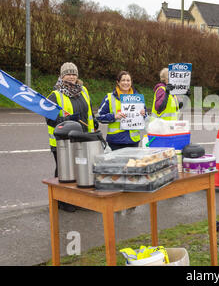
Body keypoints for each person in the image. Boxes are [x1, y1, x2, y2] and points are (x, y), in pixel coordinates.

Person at [45, 62, 97, 212]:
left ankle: (78, 199)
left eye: (74, 74)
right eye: (68, 73)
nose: (71, 76)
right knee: (63, 171)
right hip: (63, 142)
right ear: (62, 76)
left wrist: (94, 122)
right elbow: (49, 118)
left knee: (79, 169)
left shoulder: (83, 91)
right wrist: (68, 122)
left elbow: (88, 112)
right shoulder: (55, 95)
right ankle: (61, 201)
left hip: (82, 139)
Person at [97, 71, 147, 151]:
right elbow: (99, 117)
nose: (126, 83)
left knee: (132, 163)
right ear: (118, 82)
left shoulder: (138, 98)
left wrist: (143, 114)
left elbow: (145, 117)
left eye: (128, 80)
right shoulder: (109, 98)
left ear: (131, 82)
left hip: (133, 141)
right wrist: (114, 116)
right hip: (116, 142)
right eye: (123, 80)